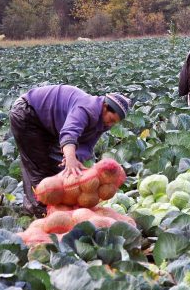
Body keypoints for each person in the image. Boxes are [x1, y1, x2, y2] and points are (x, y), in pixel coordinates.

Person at [9, 85, 131, 217]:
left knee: (58, 166)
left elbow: (87, 145)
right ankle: (39, 210)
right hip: (27, 113)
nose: (110, 124)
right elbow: (69, 132)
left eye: (114, 123)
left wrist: (76, 161)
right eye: (111, 120)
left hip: (48, 125)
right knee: (38, 166)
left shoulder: (103, 122)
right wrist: (70, 159)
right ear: (105, 107)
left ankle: (50, 206)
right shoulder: (86, 108)